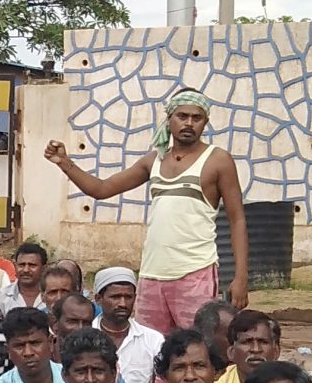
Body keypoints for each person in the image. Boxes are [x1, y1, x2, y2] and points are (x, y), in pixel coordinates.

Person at [45, 88, 250, 329]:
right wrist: (65, 163)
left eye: (197, 118)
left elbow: (237, 220)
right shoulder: (154, 160)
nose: (189, 123)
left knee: (198, 343)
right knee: (152, 346)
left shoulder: (218, 160)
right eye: (182, 116)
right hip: (152, 275)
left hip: (195, 272)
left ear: (205, 122)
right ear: (169, 119)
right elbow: (101, 189)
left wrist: (241, 277)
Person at [90, 267, 164, 383]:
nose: (123, 304)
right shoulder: (84, 338)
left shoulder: (153, 340)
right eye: (115, 297)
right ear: (98, 299)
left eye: (128, 297)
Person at [210, 308, 280, 383]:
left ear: (276, 351)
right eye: (247, 342)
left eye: (263, 342)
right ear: (231, 352)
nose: (256, 349)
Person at [0, 243, 48, 315]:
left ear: (43, 268)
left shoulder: (54, 295)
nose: (26, 270)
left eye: (32, 265)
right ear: (15, 266)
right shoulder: (0, 298)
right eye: (21, 265)